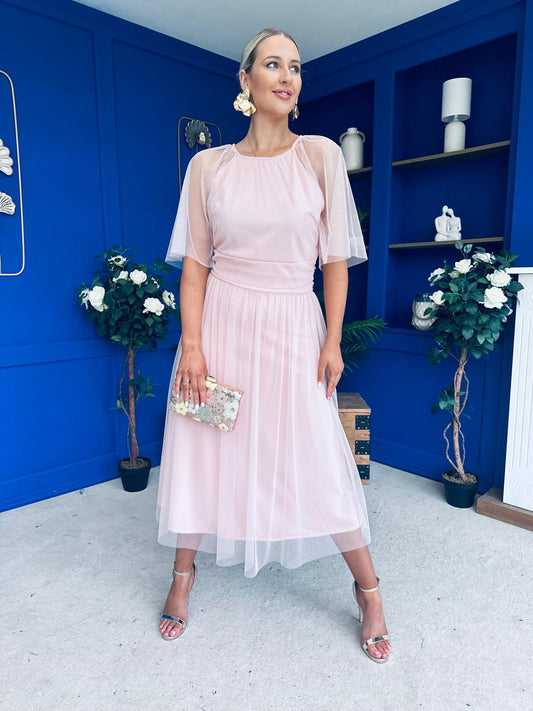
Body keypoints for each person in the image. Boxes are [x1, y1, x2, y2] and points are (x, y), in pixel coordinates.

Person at [156, 28, 391, 663]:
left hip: (292, 322)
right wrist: (193, 347)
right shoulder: (208, 167)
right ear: (246, 80)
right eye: (272, 64)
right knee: (203, 442)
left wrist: (333, 341)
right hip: (220, 324)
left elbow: (335, 261)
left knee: (317, 451)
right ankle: (182, 576)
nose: (287, 76)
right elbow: (196, 266)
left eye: (295, 67)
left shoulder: (319, 156)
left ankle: (368, 589)